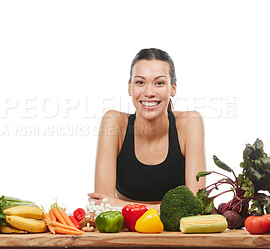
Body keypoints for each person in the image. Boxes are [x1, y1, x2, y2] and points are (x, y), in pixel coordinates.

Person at [88, 48, 206, 211]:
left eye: (159, 83)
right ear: (130, 88)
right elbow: (102, 205)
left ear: (173, 88)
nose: (149, 92)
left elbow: (196, 204)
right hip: (125, 231)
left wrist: (119, 204)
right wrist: (164, 209)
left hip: (176, 234)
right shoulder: (114, 122)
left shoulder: (190, 123)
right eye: (140, 82)